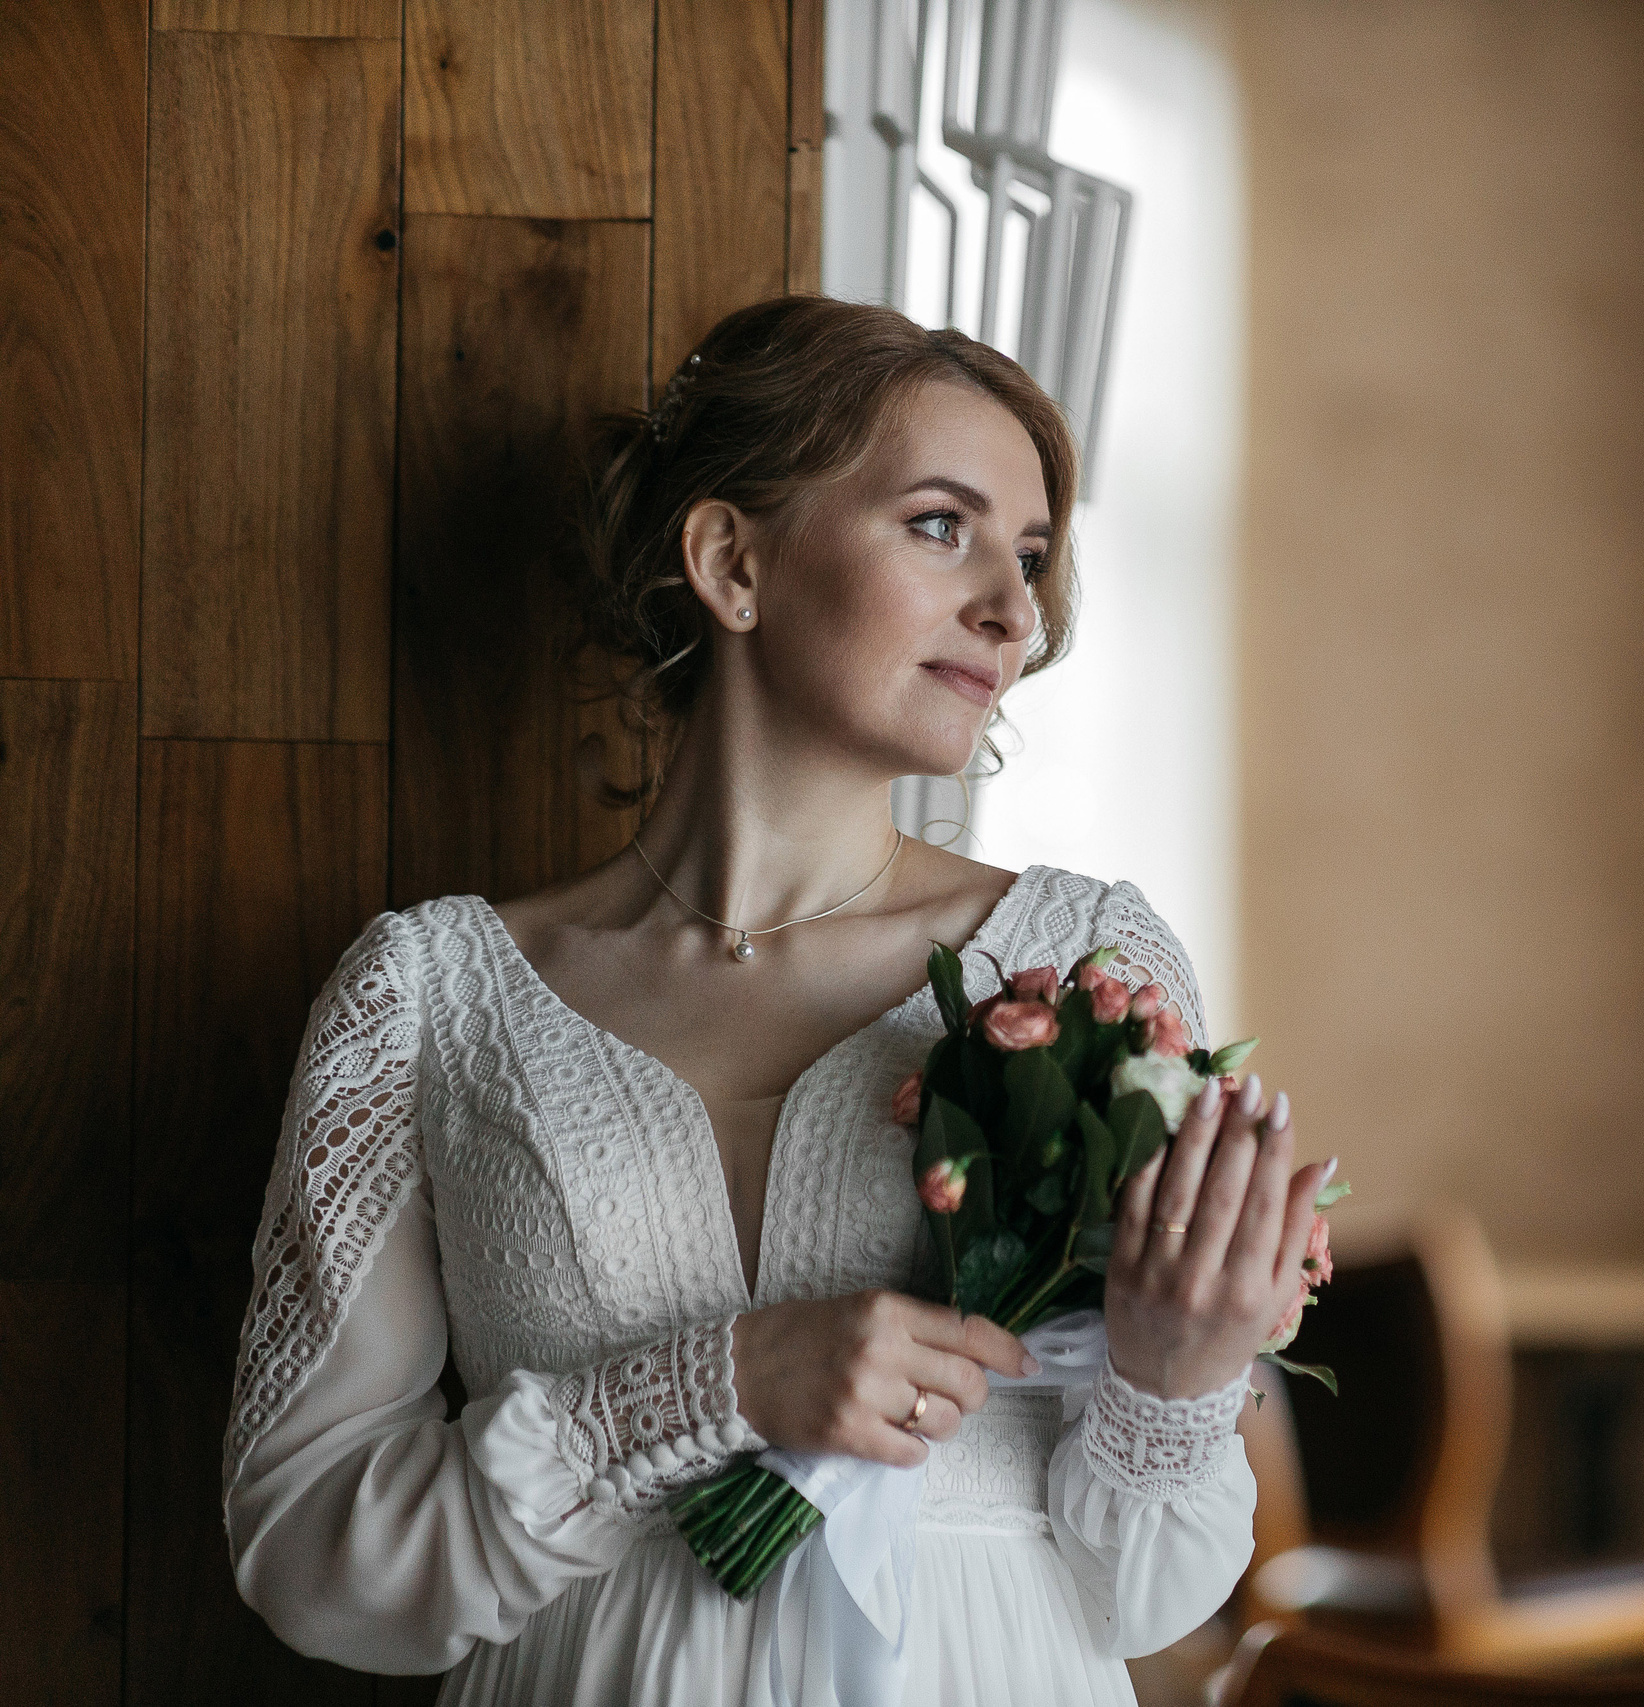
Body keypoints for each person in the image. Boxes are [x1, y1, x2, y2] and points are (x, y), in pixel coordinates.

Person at [221, 297, 1328, 1705]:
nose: (1014, 608)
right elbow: (308, 1556)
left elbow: (1147, 1594)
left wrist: (1177, 1381)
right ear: (732, 561)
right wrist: (709, 1389)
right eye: (944, 525)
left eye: (1033, 556)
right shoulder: (429, 998)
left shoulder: (1088, 966)